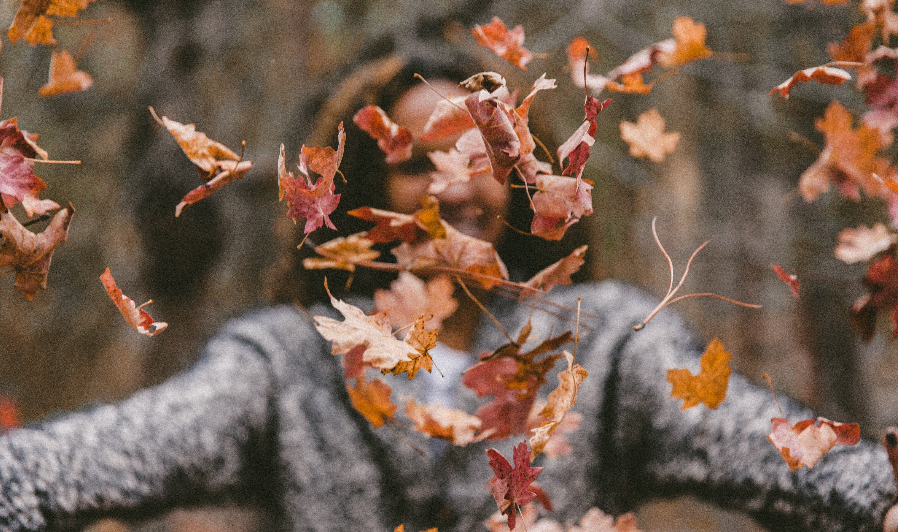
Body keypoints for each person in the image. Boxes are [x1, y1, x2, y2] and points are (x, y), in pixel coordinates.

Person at [0, 48, 896, 532]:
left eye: (479, 156)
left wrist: (879, 493)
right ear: (360, 193)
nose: (453, 186)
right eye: (414, 166)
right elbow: (105, 454)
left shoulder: (608, 342)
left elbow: (761, 446)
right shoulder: (286, 364)